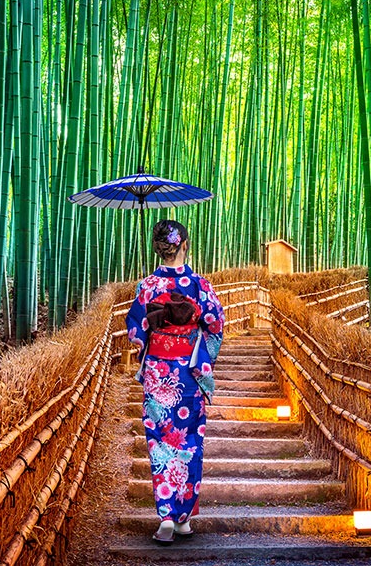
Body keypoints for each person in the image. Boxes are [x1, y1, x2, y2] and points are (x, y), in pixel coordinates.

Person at [124, 220, 225, 544]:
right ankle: (183, 518)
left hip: (158, 374)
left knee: (160, 441)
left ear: (159, 248)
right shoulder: (199, 284)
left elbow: (136, 331)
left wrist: (151, 336)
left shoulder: (147, 285)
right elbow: (215, 324)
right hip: (188, 373)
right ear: (185, 245)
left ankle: (166, 517)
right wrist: (201, 351)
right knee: (190, 441)